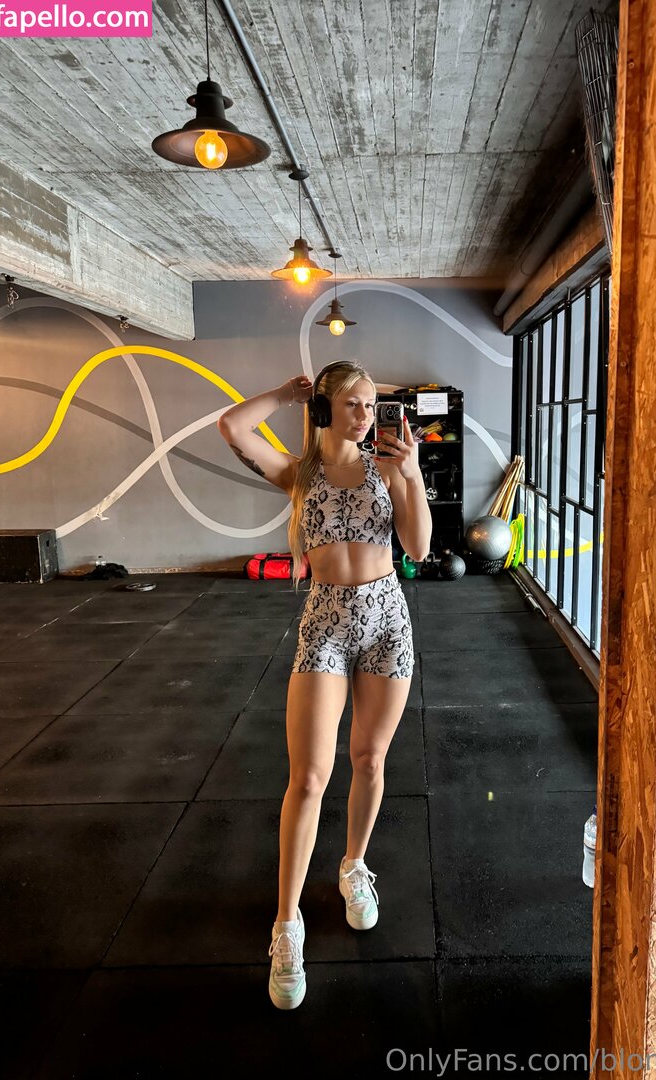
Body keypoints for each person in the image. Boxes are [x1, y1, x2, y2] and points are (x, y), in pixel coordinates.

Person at [216, 360, 432, 1010]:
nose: (365, 415)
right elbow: (232, 426)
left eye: (370, 405)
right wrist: (286, 393)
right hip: (326, 625)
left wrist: (412, 475)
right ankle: (287, 925)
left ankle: (354, 867)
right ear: (326, 408)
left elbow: (419, 549)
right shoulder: (299, 474)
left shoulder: (388, 468)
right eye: (353, 403)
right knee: (309, 777)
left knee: (369, 759)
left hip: (387, 620)